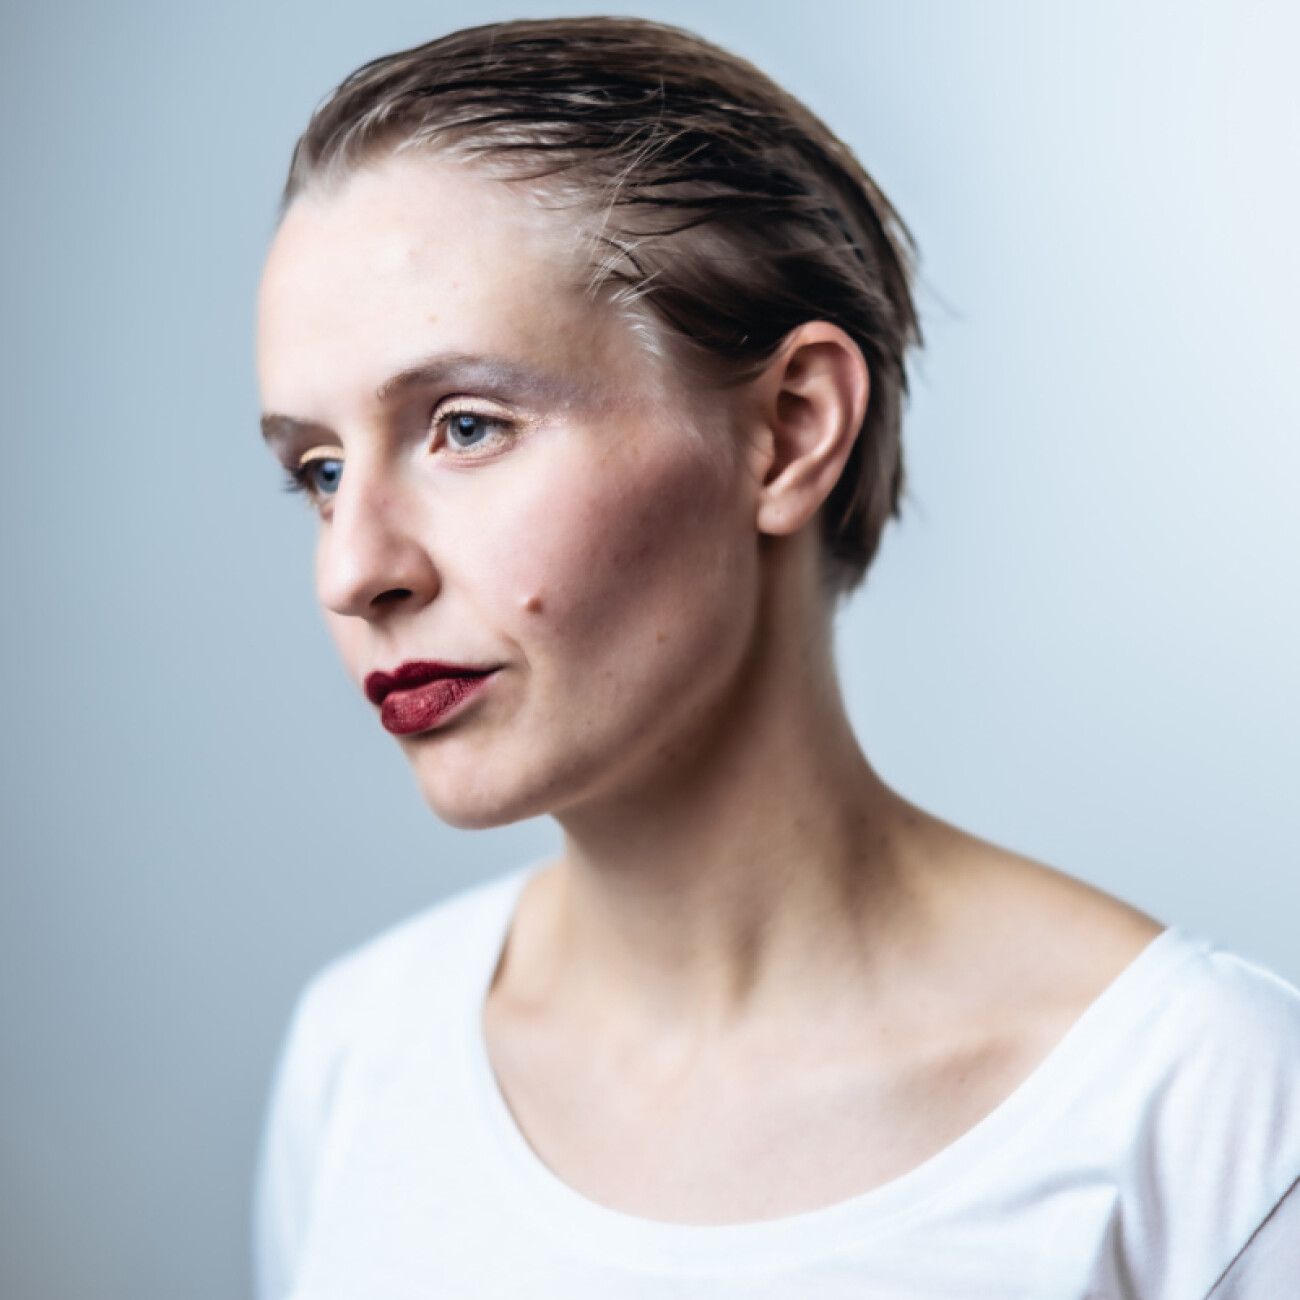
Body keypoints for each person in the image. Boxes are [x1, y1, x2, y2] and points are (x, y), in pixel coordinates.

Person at [253, 17, 1300, 1298]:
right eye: (319, 470)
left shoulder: (1202, 1113)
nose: (353, 569)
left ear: (792, 430)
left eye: (466, 426)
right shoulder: (359, 1058)